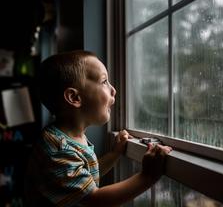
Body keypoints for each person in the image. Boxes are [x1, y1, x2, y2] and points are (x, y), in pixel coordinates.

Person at [25, 50, 171, 207]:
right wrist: (147, 177)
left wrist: (114, 154)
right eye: (104, 82)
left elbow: (86, 178)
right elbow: (94, 199)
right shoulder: (58, 149)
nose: (113, 90)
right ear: (74, 98)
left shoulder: (69, 138)